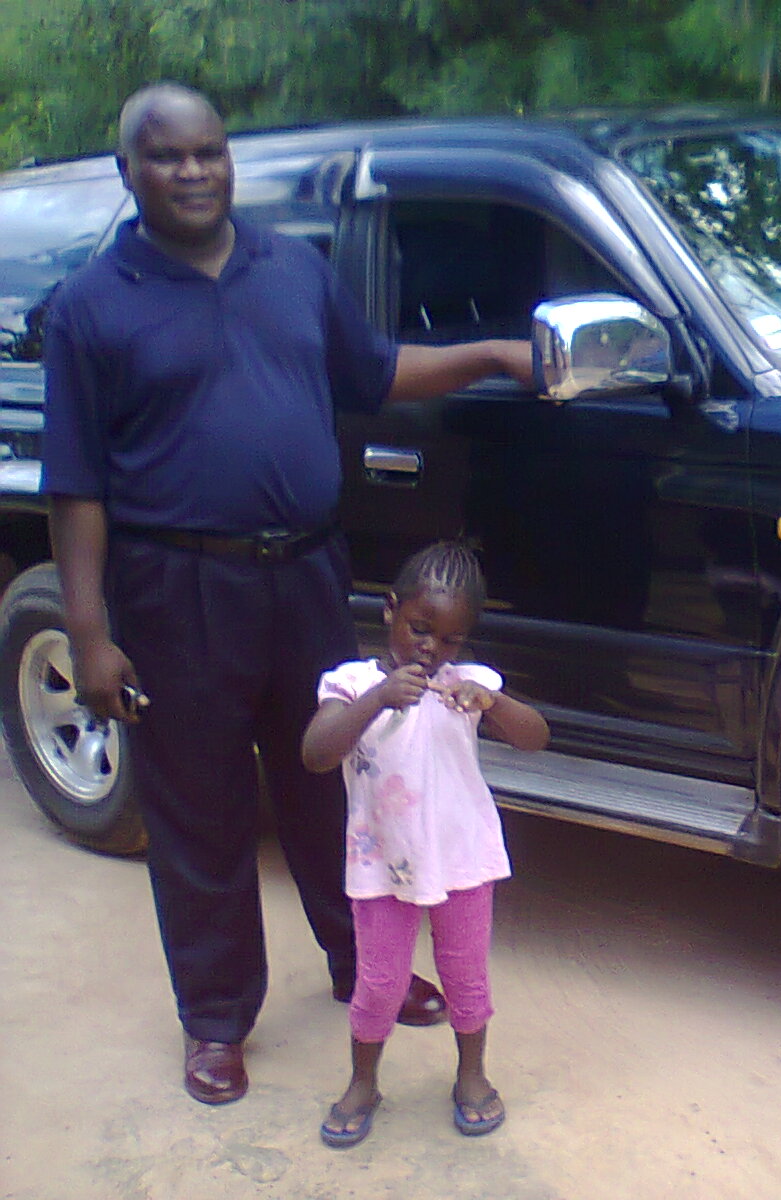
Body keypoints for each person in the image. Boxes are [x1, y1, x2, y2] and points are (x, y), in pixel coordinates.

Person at [41, 82, 537, 1106]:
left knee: (334, 784)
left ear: (231, 160)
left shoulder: (292, 270)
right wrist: (89, 633)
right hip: (175, 588)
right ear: (129, 167)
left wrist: (491, 353)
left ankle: (368, 970)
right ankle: (217, 1020)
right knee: (200, 808)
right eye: (169, 156)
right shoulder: (94, 307)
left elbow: (379, 368)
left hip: (306, 574)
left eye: (209, 153)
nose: (193, 172)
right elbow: (76, 486)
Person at [302, 540, 550, 1147]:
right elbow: (315, 753)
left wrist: (491, 702)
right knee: (380, 981)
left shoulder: (464, 684)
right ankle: (364, 1082)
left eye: (449, 639)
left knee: (466, 974)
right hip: (383, 863)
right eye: (419, 628)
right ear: (389, 610)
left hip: (462, 860)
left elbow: (536, 736)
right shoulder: (352, 683)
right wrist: (376, 700)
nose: (431, 648)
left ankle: (471, 1074)